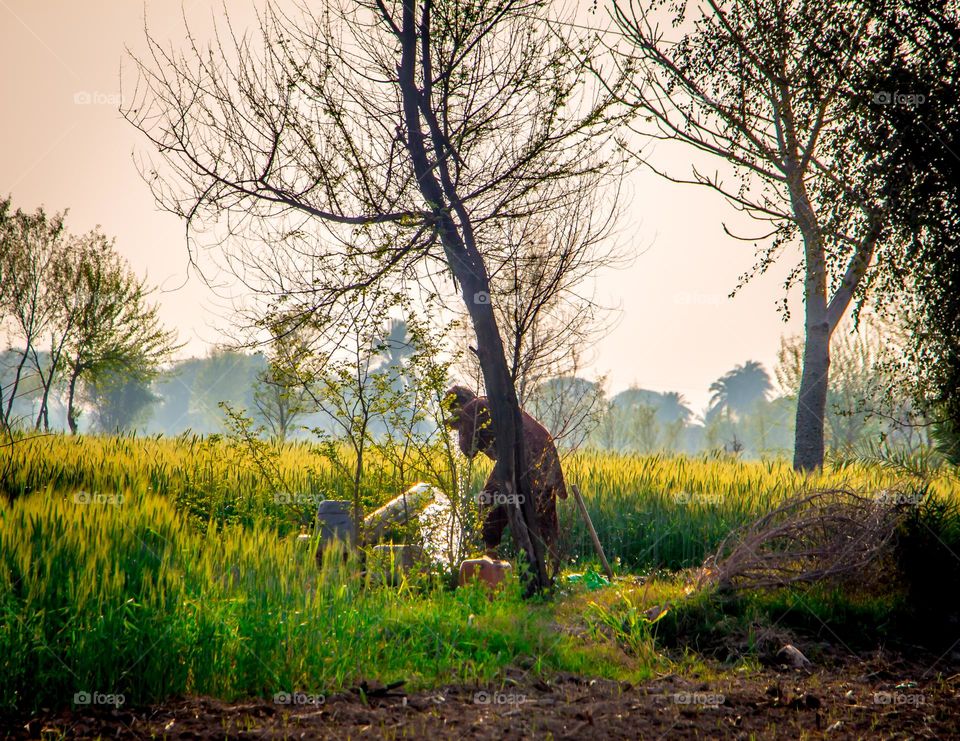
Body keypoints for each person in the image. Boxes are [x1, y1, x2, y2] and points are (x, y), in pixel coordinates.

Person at [444, 385, 567, 564]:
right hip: (544, 450)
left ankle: (490, 560)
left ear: (456, 406)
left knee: (488, 501)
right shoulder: (490, 403)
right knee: (543, 507)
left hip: (520, 454)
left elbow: (468, 451)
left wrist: (458, 426)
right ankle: (553, 566)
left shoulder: (470, 409)